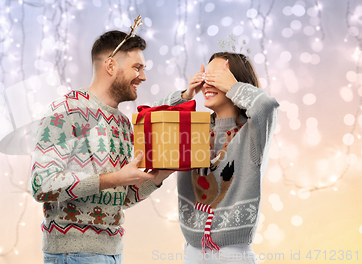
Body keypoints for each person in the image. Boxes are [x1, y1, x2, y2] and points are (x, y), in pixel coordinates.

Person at [30, 30, 172, 264]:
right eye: (137, 67)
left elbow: (121, 198)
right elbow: (42, 185)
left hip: (113, 253)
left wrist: (159, 176)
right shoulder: (67, 111)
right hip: (72, 254)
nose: (143, 76)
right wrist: (114, 178)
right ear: (110, 65)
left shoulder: (124, 124)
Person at [154, 52, 279, 263]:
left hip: (233, 253)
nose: (208, 83)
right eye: (206, 77)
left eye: (217, 77)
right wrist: (185, 95)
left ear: (236, 83)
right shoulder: (193, 130)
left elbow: (266, 105)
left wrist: (232, 86)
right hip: (192, 251)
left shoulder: (252, 133)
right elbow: (152, 120)